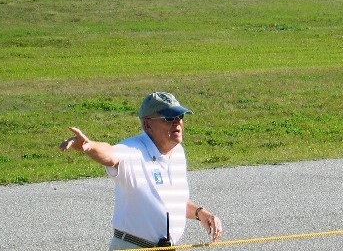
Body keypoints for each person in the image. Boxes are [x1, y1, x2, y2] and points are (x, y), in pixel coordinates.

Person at [60, 91, 224, 249]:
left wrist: (201, 213)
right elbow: (111, 155)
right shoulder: (133, 150)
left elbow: (172, 202)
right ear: (148, 124)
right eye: (169, 118)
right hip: (134, 247)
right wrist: (89, 147)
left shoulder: (178, 152)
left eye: (180, 117)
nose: (177, 122)